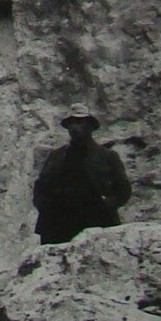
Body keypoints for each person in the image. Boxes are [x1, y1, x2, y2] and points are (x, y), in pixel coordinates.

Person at [31, 105, 132, 245]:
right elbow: (41, 186)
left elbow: (123, 189)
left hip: (95, 222)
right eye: (71, 123)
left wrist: (105, 206)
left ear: (90, 126)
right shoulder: (56, 156)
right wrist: (46, 207)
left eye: (80, 122)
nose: (75, 127)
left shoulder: (107, 156)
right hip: (58, 225)